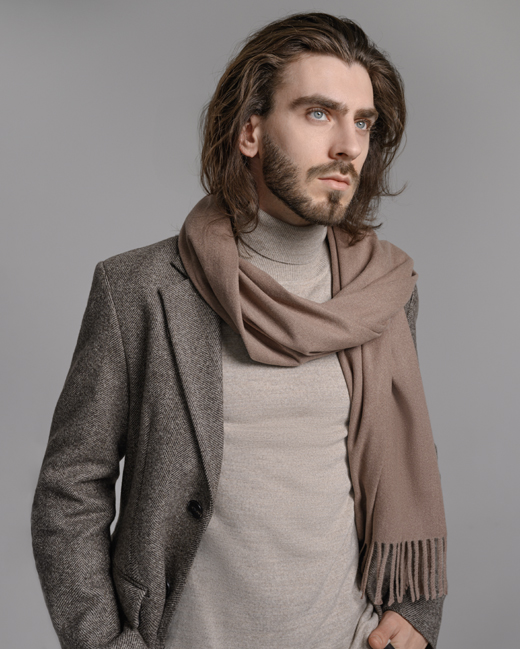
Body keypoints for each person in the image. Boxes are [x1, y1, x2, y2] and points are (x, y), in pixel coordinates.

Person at [32, 12, 447, 649]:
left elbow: (405, 458)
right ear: (250, 132)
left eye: (363, 122)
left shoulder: (385, 292)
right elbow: (70, 489)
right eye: (318, 113)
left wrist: (417, 612)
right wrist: (103, 642)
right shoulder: (140, 289)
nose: (349, 146)